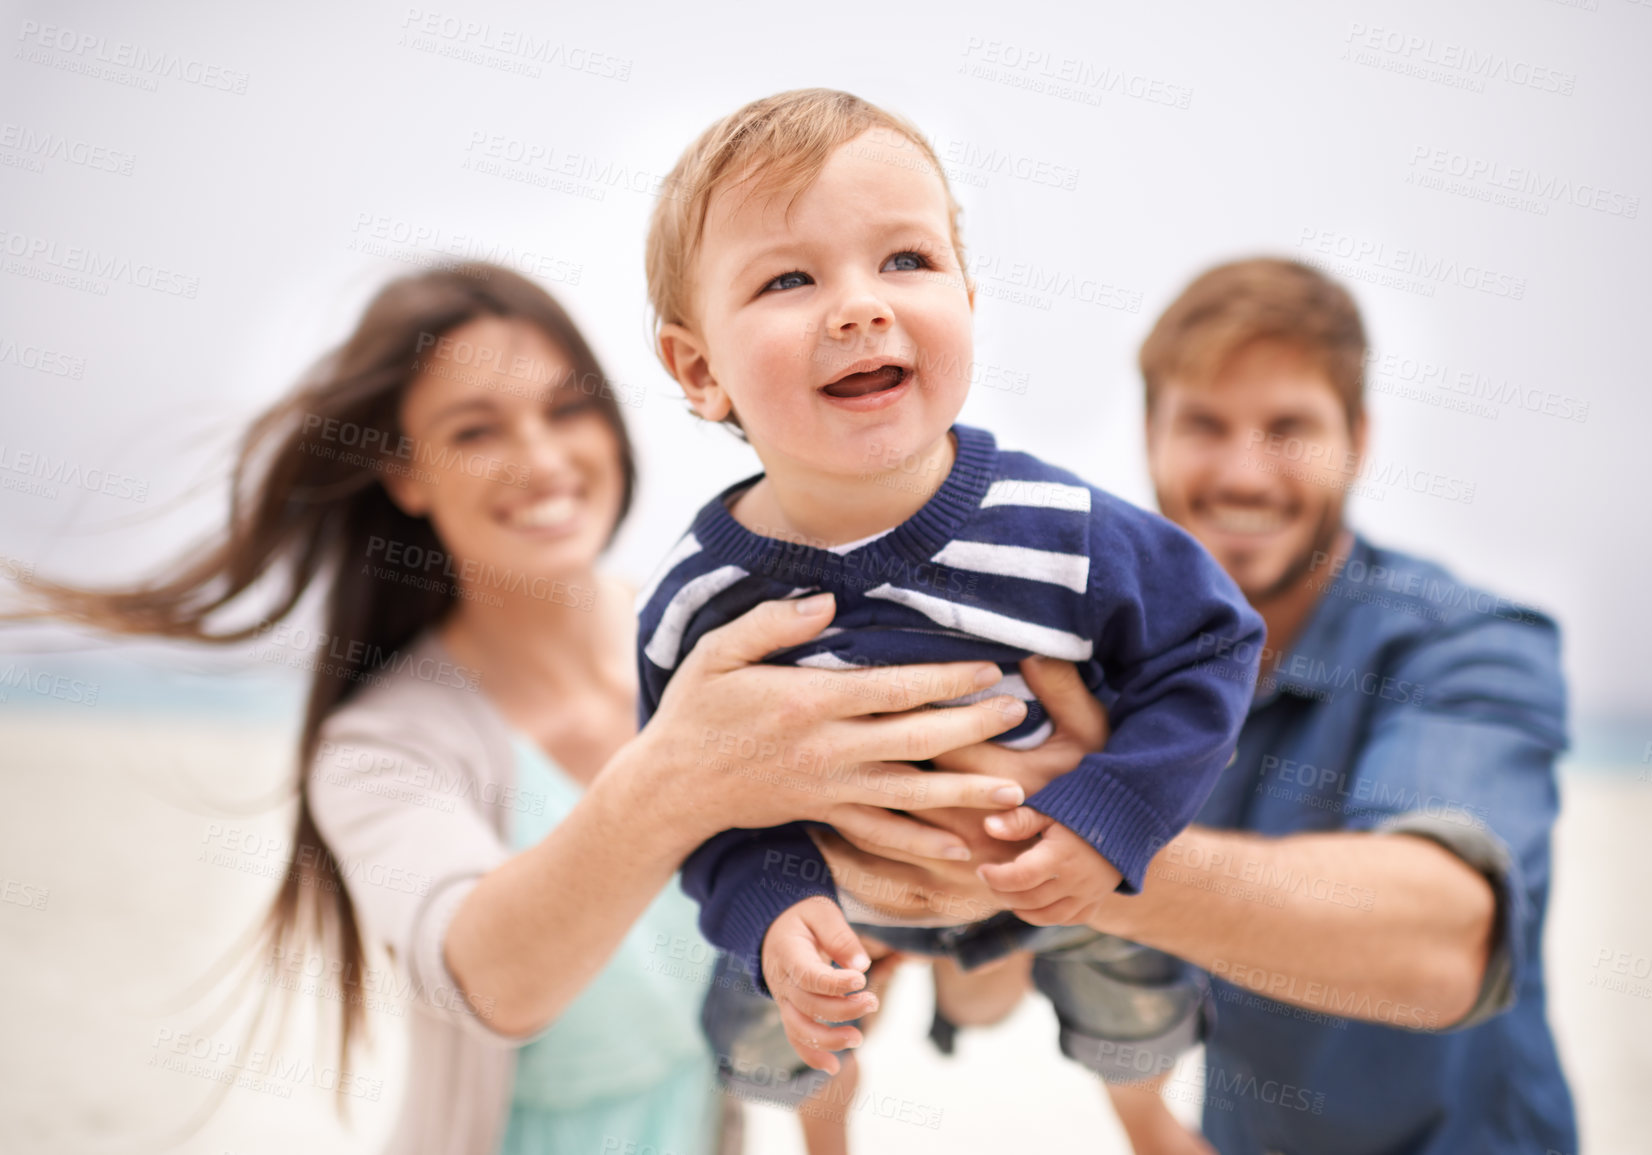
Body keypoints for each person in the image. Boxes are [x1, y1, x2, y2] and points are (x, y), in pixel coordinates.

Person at [8, 263, 1041, 1155]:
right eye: (475, 428)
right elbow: (491, 981)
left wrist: (989, 879)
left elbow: (974, 993)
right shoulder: (384, 747)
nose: (542, 457)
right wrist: (676, 776)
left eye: (566, 407)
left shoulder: (727, 652)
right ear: (403, 476)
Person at [816, 257, 1578, 1154]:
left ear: (1359, 440)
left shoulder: (1468, 643)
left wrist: (1086, 835)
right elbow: (985, 995)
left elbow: (1444, 943)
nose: (1243, 474)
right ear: (1149, 435)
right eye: (1204, 425)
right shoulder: (1103, 659)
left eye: (1288, 428)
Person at [638, 89, 1265, 1155]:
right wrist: (773, 908)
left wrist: (1106, 816)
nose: (859, 307)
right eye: (790, 279)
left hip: (1047, 854)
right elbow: (690, 800)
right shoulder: (705, 597)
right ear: (701, 371)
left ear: (969, 301)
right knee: (761, 1017)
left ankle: (1143, 1118)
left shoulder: (1059, 528)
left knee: (1136, 988)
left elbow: (1211, 645)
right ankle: (822, 1132)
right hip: (836, 881)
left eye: (906, 262)